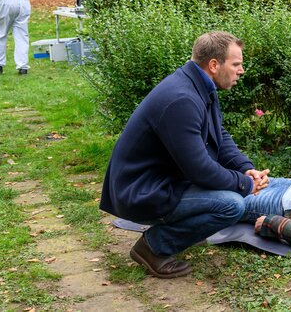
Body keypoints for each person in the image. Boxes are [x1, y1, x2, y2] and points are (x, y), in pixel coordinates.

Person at [100, 31, 270, 279]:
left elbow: (218, 135)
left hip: (161, 183)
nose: (241, 71)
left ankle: (184, 230)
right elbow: (199, 169)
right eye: (236, 64)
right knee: (232, 205)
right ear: (214, 65)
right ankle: (152, 248)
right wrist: (244, 184)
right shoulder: (182, 99)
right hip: (141, 192)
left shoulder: (199, 86)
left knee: (229, 194)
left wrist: (245, 168)